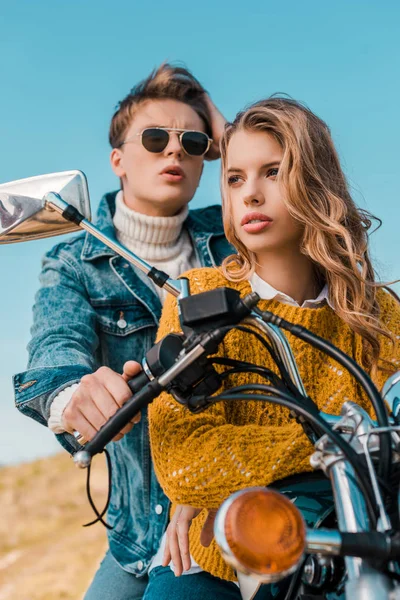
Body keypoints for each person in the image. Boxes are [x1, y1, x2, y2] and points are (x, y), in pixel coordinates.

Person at [144, 96, 400, 599]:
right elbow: (185, 460)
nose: (250, 195)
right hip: (228, 558)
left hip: (361, 541)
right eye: (235, 178)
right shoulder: (196, 296)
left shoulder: (381, 313)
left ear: (315, 183)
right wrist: (336, 445)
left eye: (273, 172)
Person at [13, 63, 233, 600]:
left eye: (194, 141)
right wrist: (73, 397)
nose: (174, 152)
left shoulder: (235, 238)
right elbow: (54, 352)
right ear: (118, 161)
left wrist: (228, 130)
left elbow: (290, 179)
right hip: (139, 535)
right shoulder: (73, 260)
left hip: (239, 508)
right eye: (155, 138)